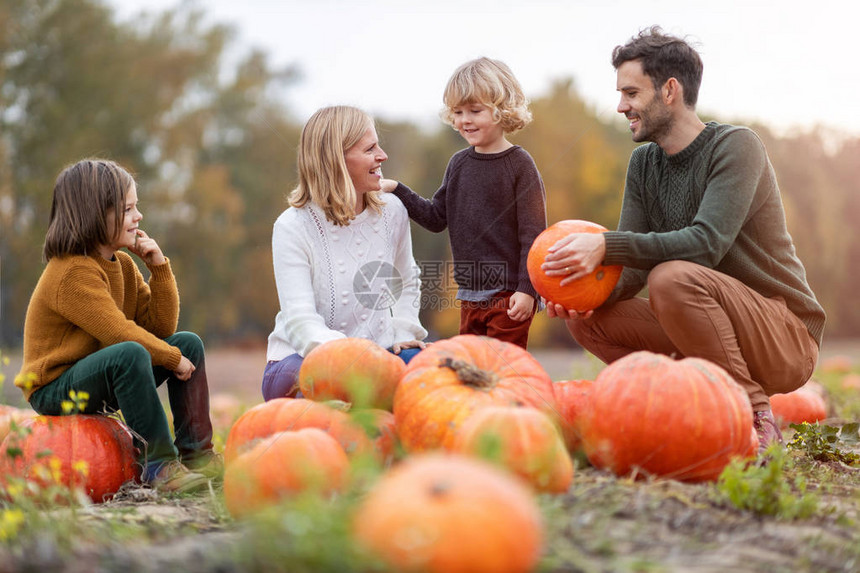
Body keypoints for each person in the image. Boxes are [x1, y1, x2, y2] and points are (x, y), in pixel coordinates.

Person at [541, 26, 825, 455]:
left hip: (784, 335)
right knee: (588, 317)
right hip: (702, 320)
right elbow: (633, 269)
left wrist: (605, 245)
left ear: (669, 90)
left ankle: (753, 415)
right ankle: (686, 406)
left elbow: (706, 243)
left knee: (672, 278)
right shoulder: (643, 164)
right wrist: (582, 293)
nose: (621, 106)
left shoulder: (736, 147)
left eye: (631, 93)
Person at [17, 159, 222, 493]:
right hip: (55, 388)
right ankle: (160, 465)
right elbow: (118, 332)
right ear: (96, 214)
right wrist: (170, 359)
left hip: (102, 375)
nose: (138, 216)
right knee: (130, 352)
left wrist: (159, 269)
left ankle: (197, 455)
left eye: (136, 207)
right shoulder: (71, 272)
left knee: (188, 344)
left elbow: (158, 328)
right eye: (128, 209)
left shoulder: (123, 264)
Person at [263, 105, 428, 401]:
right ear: (336, 160)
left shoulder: (393, 211)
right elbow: (301, 321)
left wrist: (404, 332)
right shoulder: (292, 226)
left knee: (431, 373)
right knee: (325, 391)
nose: (382, 156)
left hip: (381, 354)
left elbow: (407, 280)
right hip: (300, 358)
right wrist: (358, 359)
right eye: (370, 149)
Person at [381, 57, 547, 349]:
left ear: (501, 110)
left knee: (503, 369)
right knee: (471, 370)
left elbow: (533, 236)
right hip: (469, 294)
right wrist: (397, 190)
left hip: (508, 296)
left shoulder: (520, 165)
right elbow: (435, 217)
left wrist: (527, 290)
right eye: (457, 112)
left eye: (475, 110)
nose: (464, 120)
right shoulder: (459, 164)